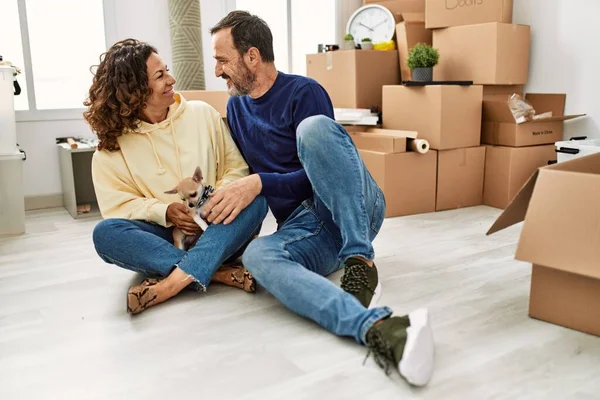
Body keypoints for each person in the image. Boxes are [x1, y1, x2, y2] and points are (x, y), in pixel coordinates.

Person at [203, 11, 435, 386]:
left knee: (314, 130)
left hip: (351, 207)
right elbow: (247, 180)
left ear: (251, 56)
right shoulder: (236, 109)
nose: (217, 71)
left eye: (221, 60)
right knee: (258, 255)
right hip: (306, 228)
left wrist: (261, 183)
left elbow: (322, 175)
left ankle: (360, 258)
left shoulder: (303, 92)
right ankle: (379, 328)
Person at [84, 39, 268, 314]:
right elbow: (117, 208)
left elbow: (236, 169)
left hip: (218, 225)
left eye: (166, 70)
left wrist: (212, 204)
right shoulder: (111, 148)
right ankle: (214, 271)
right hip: (166, 234)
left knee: (257, 196)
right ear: (133, 91)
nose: (171, 79)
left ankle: (171, 283)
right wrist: (166, 212)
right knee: (105, 234)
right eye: (160, 76)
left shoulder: (202, 114)